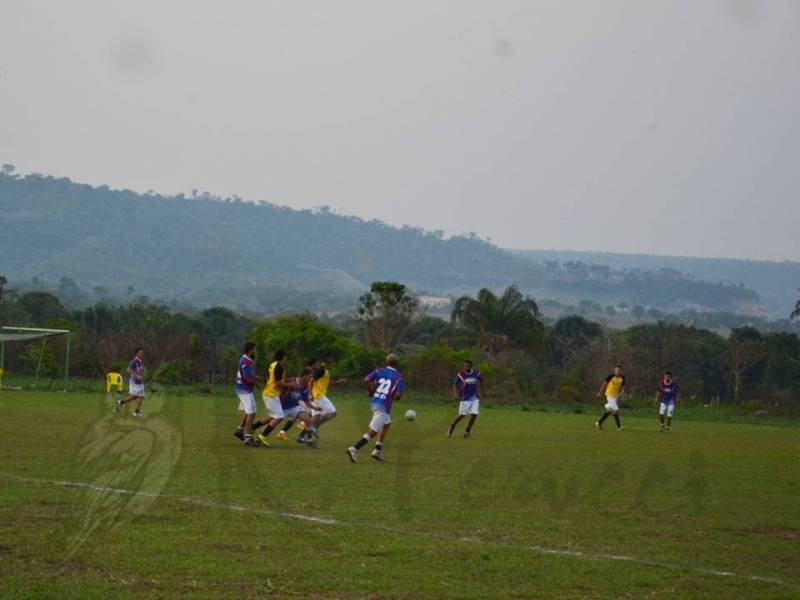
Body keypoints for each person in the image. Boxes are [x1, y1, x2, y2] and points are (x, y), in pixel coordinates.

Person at [346, 353, 404, 463]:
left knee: (387, 423)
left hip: (375, 402)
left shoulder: (379, 371)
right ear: (397, 364)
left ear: (387, 362)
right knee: (373, 430)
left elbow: (367, 379)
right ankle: (354, 448)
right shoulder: (398, 376)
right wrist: (395, 397)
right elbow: (398, 396)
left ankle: (377, 450)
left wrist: (370, 390)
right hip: (383, 405)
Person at [252, 350, 293, 445]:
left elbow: (274, 379)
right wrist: (289, 386)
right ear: (283, 357)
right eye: (286, 356)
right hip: (271, 394)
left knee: (272, 417)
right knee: (279, 416)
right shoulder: (279, 366)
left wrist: (286, 382)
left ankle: (253, 427)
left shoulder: (273, 364)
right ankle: (262, 436)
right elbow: (278, 382)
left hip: (270, 393)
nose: (287, 358)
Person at [447, 360, 485, 439]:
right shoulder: (461, 374)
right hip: (464, 398)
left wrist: (482, 390)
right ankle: (451, 427)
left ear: (471, 366)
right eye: (465, 366)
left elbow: (481, 379)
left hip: (475, 398)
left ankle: (467, 432)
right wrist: (455, 393)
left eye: (468, 366)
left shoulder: (476, 373)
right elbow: (454, 384)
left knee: (474, 415)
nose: (466, 367)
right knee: (462, 415)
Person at [309, 355, 346, 434]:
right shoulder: (321, 370)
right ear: (325, 362)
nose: (331, 363)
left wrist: (338, 382)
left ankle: (305, 435)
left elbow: (326, 383)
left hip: (317, 396)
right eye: (330, 361)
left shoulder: (324, 371)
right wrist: (310, 394)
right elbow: (310, 381)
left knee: (316, 416)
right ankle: (314, 428)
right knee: (333, 413)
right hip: (318, 396)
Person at [233, 342, 261, 447]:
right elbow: (247, 378)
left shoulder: (245, 359)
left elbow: (247, 374)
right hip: (244, 390)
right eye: (254, 349)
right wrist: (257, 383)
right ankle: (248, 438)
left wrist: (255, 377)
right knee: (252, 413)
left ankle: (240, 430)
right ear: (250, 350)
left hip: (242, 389)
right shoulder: (246, 362)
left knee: (249, 411)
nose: (255, 351)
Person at [595, 364, 625, 431]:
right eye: (616, 370)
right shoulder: (611, 376)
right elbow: (604, 384)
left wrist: (622, 394)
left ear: (621, 371)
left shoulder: (622, 378)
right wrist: (600, 392)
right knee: (615, 411)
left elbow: (623, 387)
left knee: (609, 411)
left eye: (619, 370)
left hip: (615, 396)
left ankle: (599, 423)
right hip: (609, 395)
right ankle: (619, 427)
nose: (617, 371)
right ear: (615, 370)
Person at [116, 348, 145, 416]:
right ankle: (136, 412)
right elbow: (128, 369)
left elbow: (138, 370)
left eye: (142, 352)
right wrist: (137, 376)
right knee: (141, 396)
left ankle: (120, 402)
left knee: (134, 396)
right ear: (137, 353)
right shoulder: (135, 361)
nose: (142, 353)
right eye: (140, 352)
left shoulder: (139, 360)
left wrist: (140, 375)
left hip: (136, 381)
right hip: (135, 381)